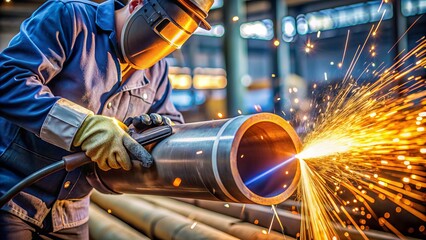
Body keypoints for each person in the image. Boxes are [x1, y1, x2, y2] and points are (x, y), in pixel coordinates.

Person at [0, 0, 213, 238]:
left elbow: (172, 125)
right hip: (11, 197)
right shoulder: (71, 18)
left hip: (71, 214)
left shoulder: (158, 71)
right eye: (164, 29)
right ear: (136, 4)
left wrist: (158, 134)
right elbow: (9, 80)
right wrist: (82, 127)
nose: (163, 47)